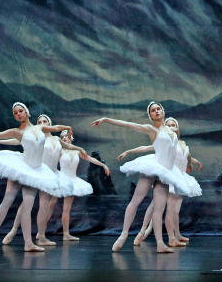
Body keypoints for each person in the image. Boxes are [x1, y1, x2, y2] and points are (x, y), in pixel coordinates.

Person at [0, 102, 73, 251]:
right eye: (15, 113)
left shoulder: (39, 128)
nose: (18, 114)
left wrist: (68, 128)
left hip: (36, 171)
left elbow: (57, 128)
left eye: (20, 111)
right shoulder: (16, 132)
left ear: (26, 112)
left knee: (27, 206)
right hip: (21, 166)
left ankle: (28, 244)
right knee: (7, 199)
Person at [91, 102, 193, 252]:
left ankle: (160, 243)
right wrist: (107, 119)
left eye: (158, 108)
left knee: (158, 209)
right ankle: (123, 234)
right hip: (153, 168)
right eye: (153, 110)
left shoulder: (171, 130)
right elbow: (128, 124)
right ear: (150, 115)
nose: (157, 111)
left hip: (167, 171)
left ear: (163, 111)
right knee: (136, 201)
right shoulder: (151, 129)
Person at [0, 114, 81, 247]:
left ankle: (41, 236)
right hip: (37, 172)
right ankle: (13, 231)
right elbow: (18, 140)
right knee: (26, 204)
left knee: (44, 206)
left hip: (50, 175)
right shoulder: (38, 137)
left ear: (50, 123)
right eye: (40, 121)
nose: (42, 123)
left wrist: (80, 150)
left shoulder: (55, 139)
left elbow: (68, 148)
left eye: (45, 121)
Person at [121, 117, 201, 247]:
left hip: (178, 177)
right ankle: (144, 232)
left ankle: (172, 235)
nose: (170, 126)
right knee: (156, 207)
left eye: (173, 124)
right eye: (168, 125)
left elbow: (187, 156)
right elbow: (147, 148)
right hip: (167, 176)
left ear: (177, 127)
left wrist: (194, 163)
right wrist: (129, 151)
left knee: (168, 209)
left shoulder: (180, 143)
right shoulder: (166, 141)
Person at [56, 128, 110, 240]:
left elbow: (90, 159)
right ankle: (41, 233)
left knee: (67, 208)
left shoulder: (77, 151)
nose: (65, 138)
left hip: (72, 181)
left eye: (67, 136)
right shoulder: (59, 150)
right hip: (60, 180)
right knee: (49, 205)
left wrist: (103, 165)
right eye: (63, 137)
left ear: (71, 137)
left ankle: (66, 234)